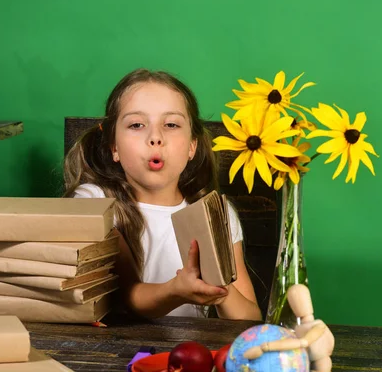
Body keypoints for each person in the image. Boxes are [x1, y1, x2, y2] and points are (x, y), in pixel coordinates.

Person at [63, 68, 262, 321]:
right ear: (114, 146)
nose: (155, 137)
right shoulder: (94, 203)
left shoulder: (217, 215)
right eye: (136, 125)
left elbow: (249, 320)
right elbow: (127, 298)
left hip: (187, 356)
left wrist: (221, 291)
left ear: (192, 146)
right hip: (113, 356)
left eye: (171, 125)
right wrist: (177, 290)